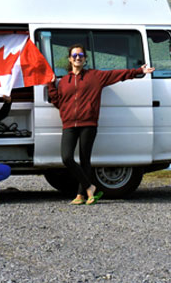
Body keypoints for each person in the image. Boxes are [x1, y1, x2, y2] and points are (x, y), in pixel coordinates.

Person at [47, 44, 155, 205]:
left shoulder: (94, 76)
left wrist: (138, 71)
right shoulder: (64, 82)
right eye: (75, 55)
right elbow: (58, 102)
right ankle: (90, 187)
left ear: (85, 59)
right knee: (67, 157)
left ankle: (80, 195)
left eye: (81, 55)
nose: (78, 58)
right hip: (69, 123)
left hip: (88, 123)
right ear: (70, 59)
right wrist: (50, 85)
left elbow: (117, 75)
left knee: (85, 160)